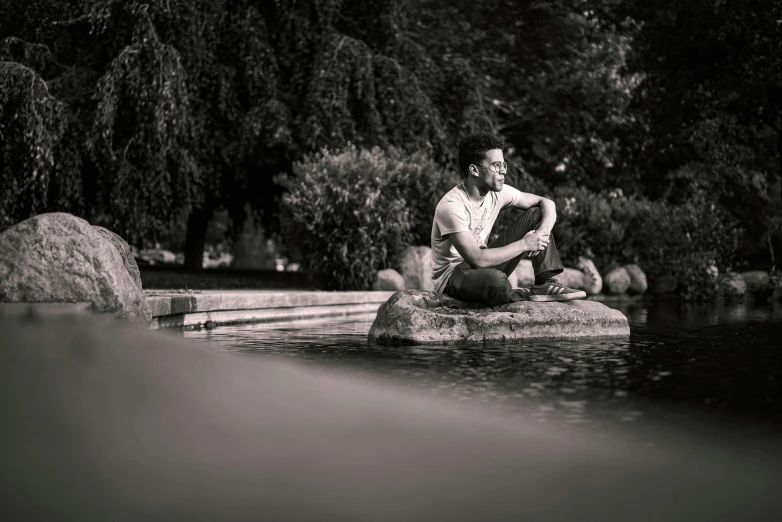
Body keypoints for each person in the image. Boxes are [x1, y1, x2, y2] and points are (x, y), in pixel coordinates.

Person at [430, 133, 586, 306]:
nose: (503, 171)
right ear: (474, 170)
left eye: (504, 164)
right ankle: (518, 294)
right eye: (496, 166)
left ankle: (544, 284)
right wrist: (525, 244)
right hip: (455, 277)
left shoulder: (498, 192)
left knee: (536, 214)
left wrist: (541, 233)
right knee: (498, 283)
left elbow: (546, 203)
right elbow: (477, 259)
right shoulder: (451, 206)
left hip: (484, 268)